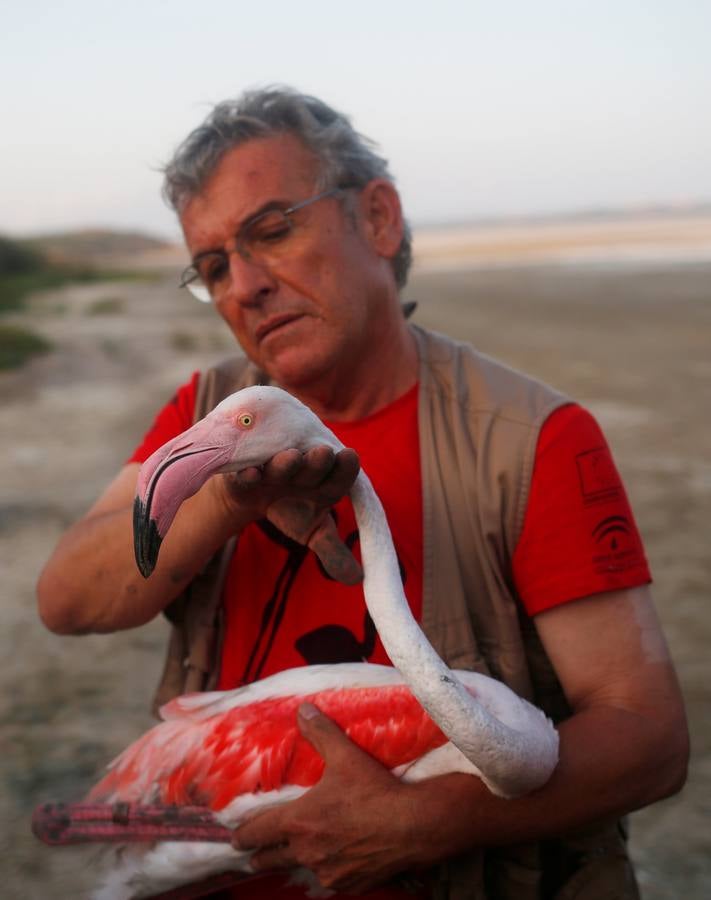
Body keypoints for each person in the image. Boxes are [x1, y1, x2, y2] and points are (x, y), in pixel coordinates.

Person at [37, 87, 688, 900]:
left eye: (271, 232)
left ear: (378, 218)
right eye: (211, 267)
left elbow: (647, 736)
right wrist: (227, 494)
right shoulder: (205, 412)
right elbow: (67, 602)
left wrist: (429, 821)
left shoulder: (527, 438)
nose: (243, 285)